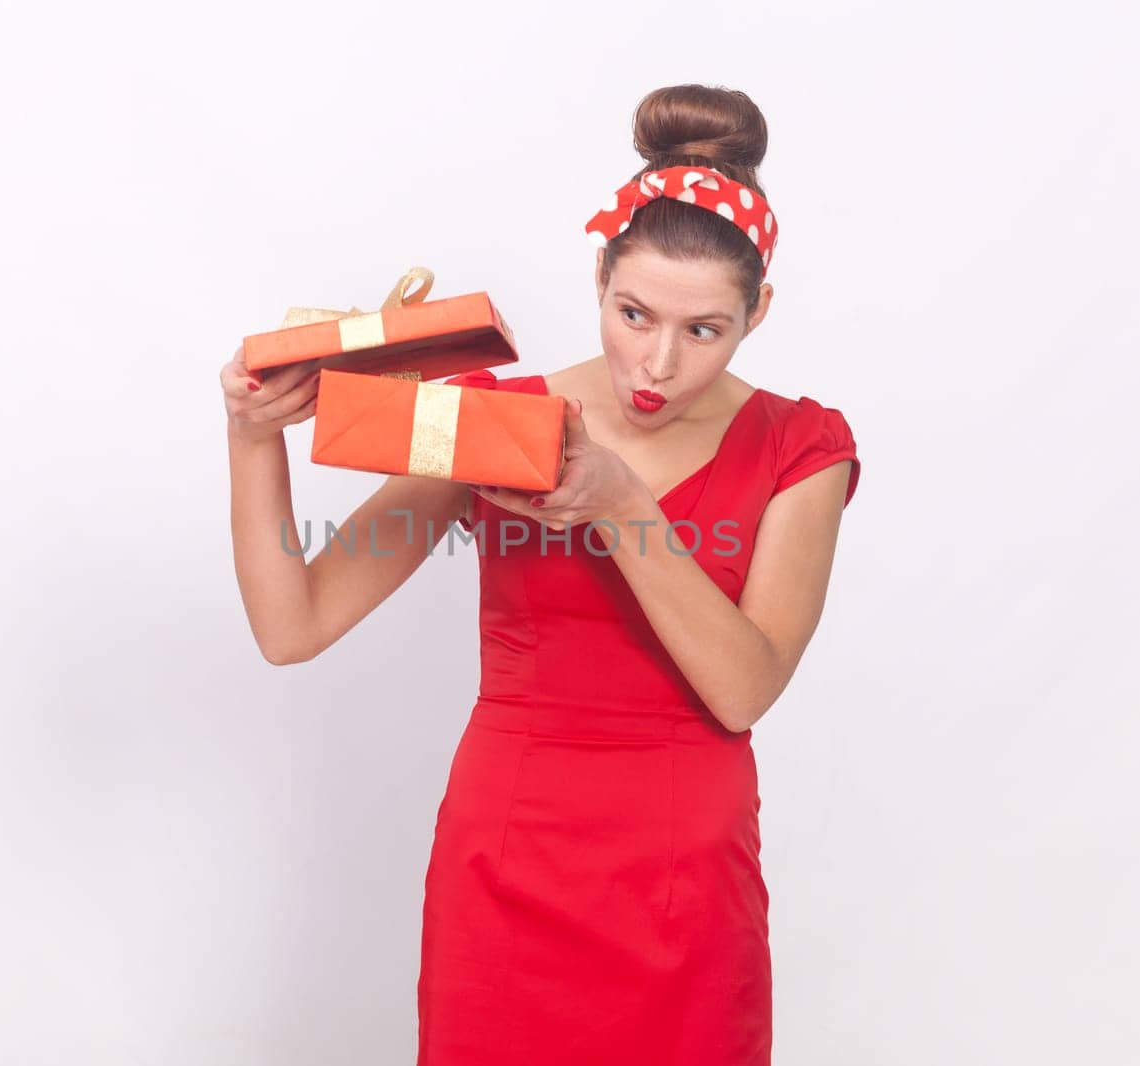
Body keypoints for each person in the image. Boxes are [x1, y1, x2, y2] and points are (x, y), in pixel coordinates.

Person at [219, 83, 861, 1065]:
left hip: (683, 877)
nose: (654, 364)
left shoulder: (799, 447)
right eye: (632, 312)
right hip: (510, 858)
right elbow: (292, 624)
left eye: (703, 331)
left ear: (756, 312)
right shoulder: (498, 421)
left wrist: (618, 504)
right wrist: (252, 437)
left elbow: (742, 688)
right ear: (599, 276)